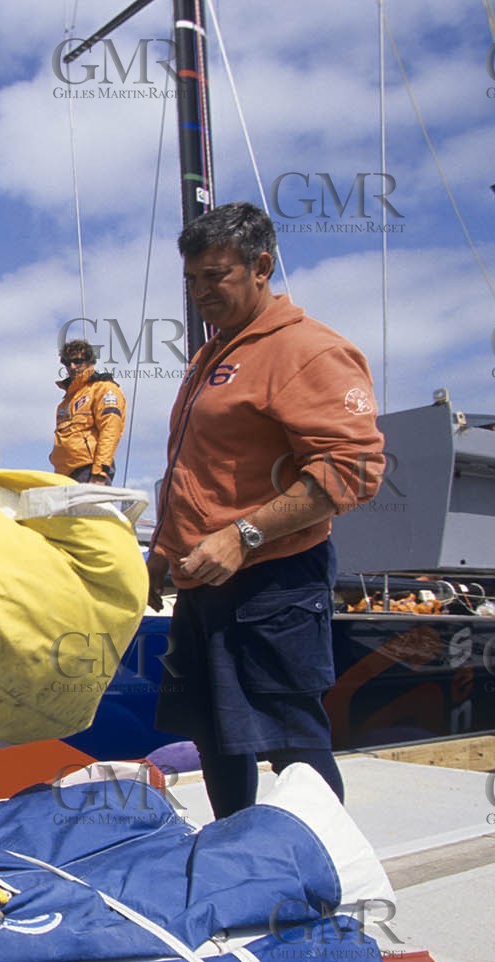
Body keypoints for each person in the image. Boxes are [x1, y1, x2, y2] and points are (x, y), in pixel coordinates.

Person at [148, 201, 384, 819]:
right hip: (203, 581)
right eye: (192, 279)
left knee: (290, 740)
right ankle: (234, 853)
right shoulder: (211, 358)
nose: (200, 292)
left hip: (274, 582)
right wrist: (162, 555)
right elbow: (201, 476)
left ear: (261, 266)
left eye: (215, 276)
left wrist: (242, 537)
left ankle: (331, 872)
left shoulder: (309, 350)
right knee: (214, 735)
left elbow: (355, 469)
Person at [49, 338, 125, 484]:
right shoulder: (65, 402)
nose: (72, 366)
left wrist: (99, 473)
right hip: (64, 476)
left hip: (89, 471)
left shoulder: (104, 389)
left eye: (78, 361)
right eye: (67, 362)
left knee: (89, 507)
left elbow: (110, 431)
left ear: (89, 361)